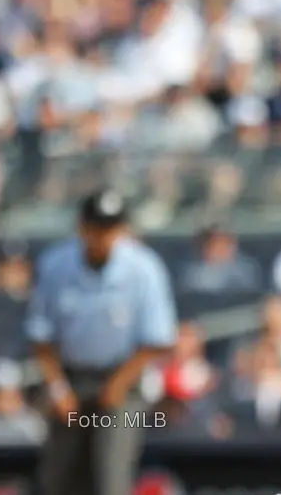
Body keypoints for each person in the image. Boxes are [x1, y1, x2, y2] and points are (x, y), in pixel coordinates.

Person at [24, 189, 178, 495]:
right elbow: (40, 336)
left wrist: (118, 384)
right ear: (82, 227)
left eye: (111, 227)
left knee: (111, 477)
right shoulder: (57, 265)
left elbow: (157, 339)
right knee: (58, 476)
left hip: (124, 383)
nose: (103, 236)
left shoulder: (144, 268)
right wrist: (57, 389)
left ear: (122, 229)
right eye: (97, 227)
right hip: (70, 379)